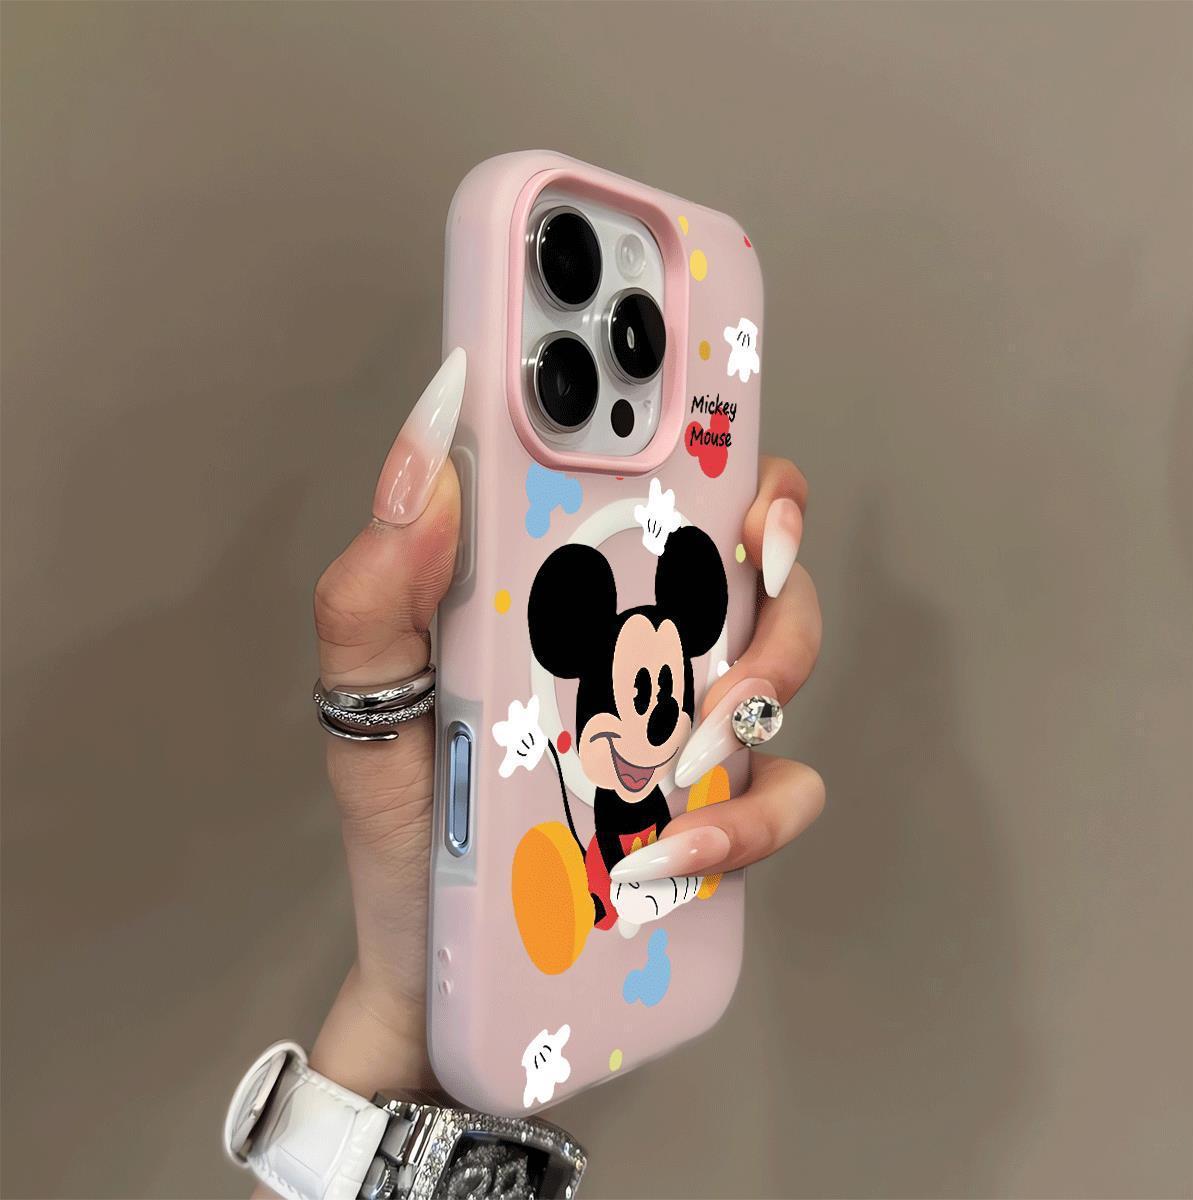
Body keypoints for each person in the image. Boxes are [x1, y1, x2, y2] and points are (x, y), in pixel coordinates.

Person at [249, 353, 825, 1197]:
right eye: (638, 695)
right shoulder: (569, 755)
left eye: (665, 694)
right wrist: (403, 1024)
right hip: (581, 878)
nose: (657, 715)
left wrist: (399, 1027)